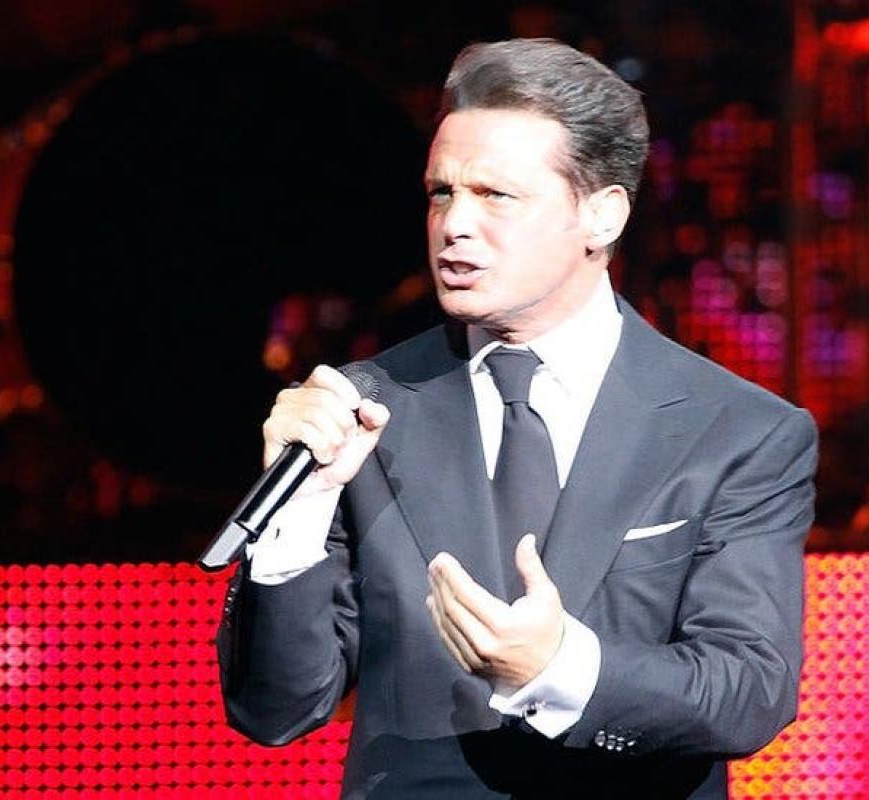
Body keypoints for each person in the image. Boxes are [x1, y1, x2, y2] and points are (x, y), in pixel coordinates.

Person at [216, 38, 817, 799]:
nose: (455, 225)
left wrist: (560, 670)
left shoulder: (737, 430)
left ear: (602, 214)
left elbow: (749, 691)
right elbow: (275, 710)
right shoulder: (363, 408)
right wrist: (295, 519)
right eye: (441, 193)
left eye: (496, 195)